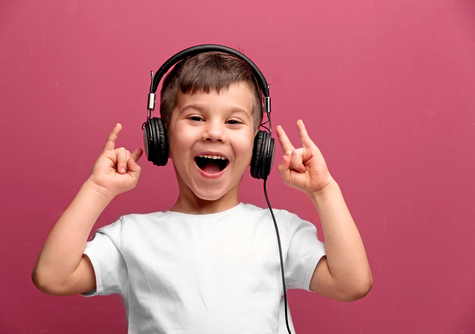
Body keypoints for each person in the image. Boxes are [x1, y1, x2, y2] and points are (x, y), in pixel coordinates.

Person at [32, 47, 372, 333]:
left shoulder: (278, 229)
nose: (214, 133)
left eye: (234, 121)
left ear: (259, 145)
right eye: (195, 118)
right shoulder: (132, 236)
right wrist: (97, 190)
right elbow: (52, 277)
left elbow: (352, 283)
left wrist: (324, 191)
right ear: (160, 138)